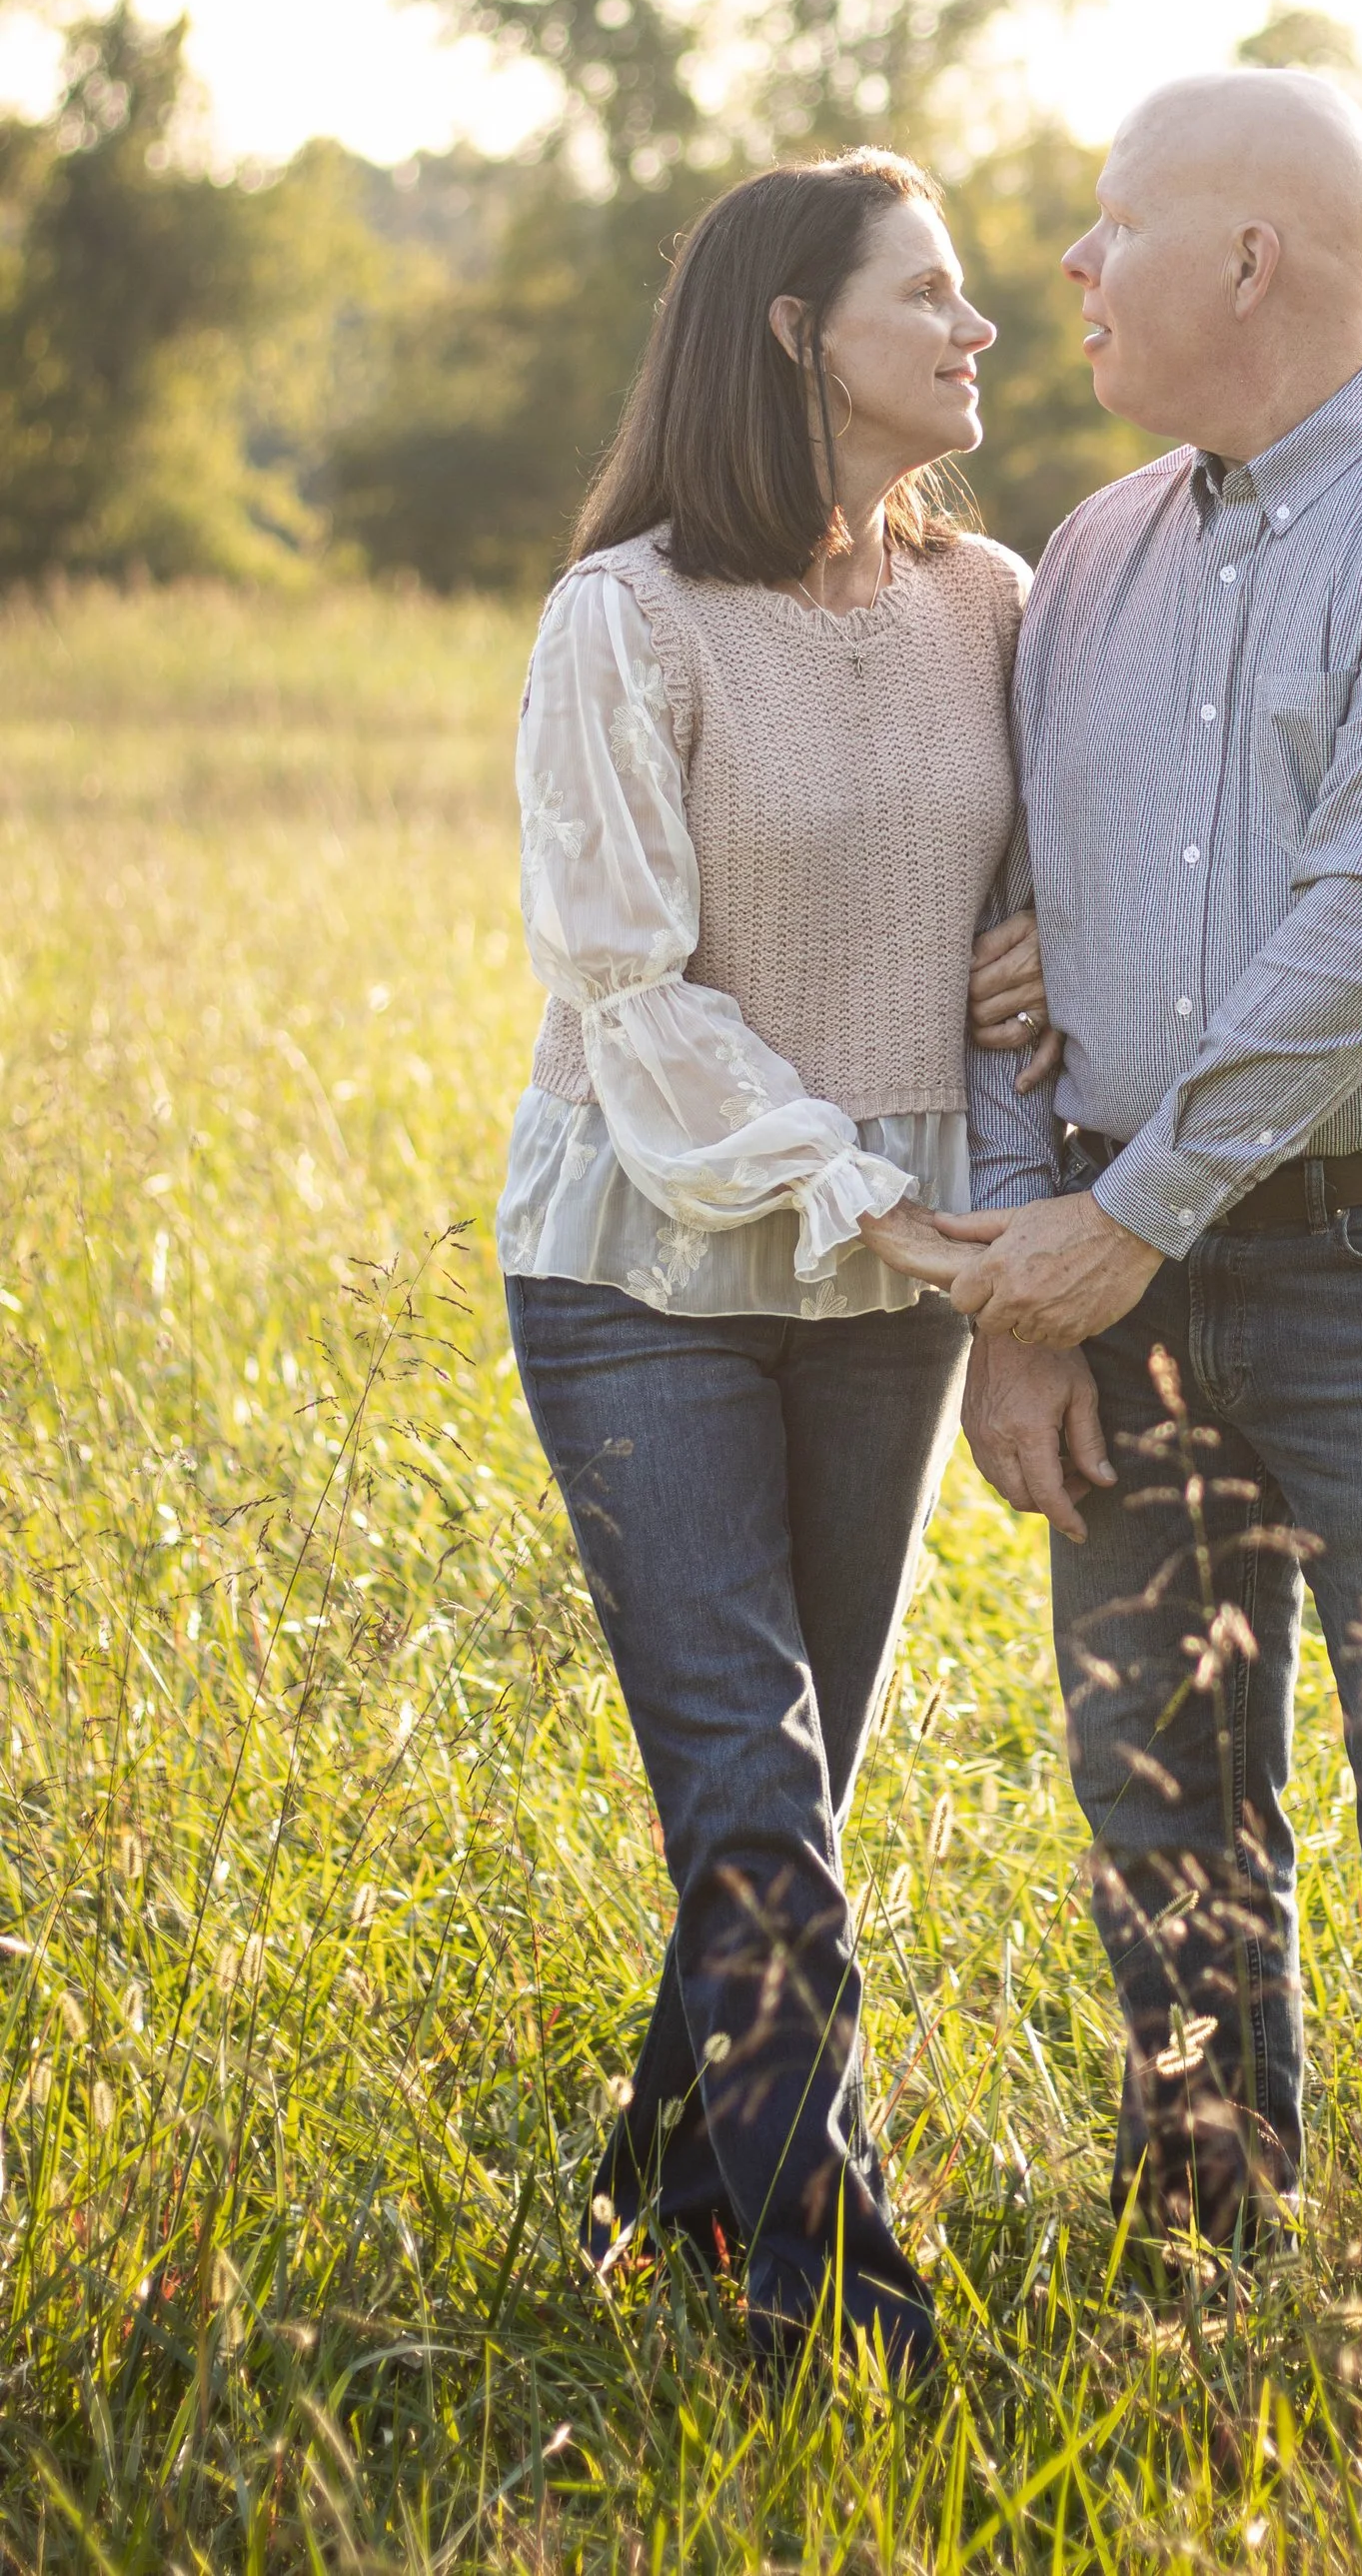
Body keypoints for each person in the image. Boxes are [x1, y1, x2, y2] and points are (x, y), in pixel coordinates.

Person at [941, 70, 1362, 2340]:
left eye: (1108, 222)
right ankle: (1199, 2251)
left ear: (1247, 259)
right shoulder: (1091, 558)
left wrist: (1122, 1215)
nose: (1066, 267)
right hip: (1119, 1259)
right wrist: (1028, 1287)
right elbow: (1012, 944)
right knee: (1160, 1782)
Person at [496, 149, 1052, 2382]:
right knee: (747, 1785)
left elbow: (1035, 896)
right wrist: (879, 1198)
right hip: (648, 1265)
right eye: (928, 293)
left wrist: (1033, 968)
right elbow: (629, 989)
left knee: (790, 1786)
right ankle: (834, 2309)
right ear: (793, 336)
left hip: (877, 1287)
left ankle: (666, 2189)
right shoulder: (621, 621)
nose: (977, 327)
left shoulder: (995, 602)